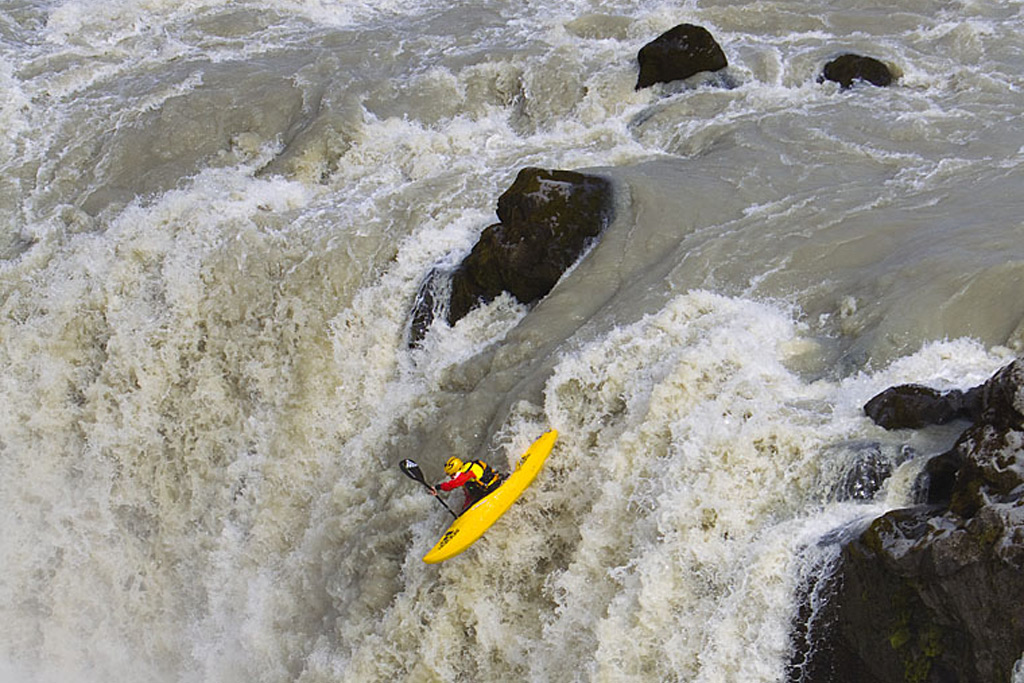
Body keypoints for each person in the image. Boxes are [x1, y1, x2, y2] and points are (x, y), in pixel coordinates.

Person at [431, 456, 503, 512]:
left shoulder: (467, 472)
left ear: (457, 470)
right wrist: (465, 509)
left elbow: (451, 485)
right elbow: (468, 494)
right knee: (468, 486)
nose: (452, 477)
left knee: (468, 485)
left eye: (452, 475)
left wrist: (437, 487)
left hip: (494, 486)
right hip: (487, 489)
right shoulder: (465, 471)